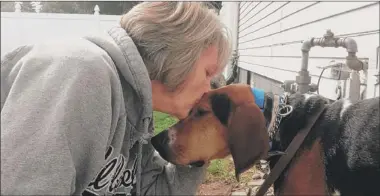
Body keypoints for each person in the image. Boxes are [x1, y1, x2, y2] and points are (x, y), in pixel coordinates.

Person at [1, 2, 231, 195]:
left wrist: (197, 149)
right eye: (208, 73)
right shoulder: (80, 70)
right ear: (181, 55)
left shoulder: (137, 110)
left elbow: (153, 189)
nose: (207, 89)